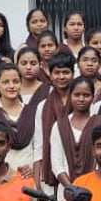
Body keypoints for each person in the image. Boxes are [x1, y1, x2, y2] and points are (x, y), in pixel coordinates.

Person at [0, 63, 40, 181]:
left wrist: (33, 169)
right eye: (5, 82)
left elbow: (38, 147)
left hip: (28, 177)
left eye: (15, 81)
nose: (11, 86)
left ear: (21, 83)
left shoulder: (33, 112)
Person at [51, 77, 101, 189]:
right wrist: (72, 189)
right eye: (77, 95)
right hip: (67, 191)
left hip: (96, 189)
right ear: (70, 96)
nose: (81, 99)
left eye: (86, 95)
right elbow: (57, 164)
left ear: (93, 97)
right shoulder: (60, 126)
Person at [34, 51, 78, 188]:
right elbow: (39, 144)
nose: (61, 77)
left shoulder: (82, 101)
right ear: (51, 75)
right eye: (57, 73)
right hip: (51, 167)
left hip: (80, 166)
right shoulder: (43, 106)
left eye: (66, 72)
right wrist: (37, 181)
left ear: (73, 74)